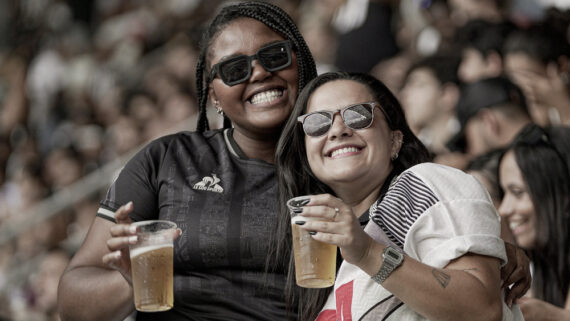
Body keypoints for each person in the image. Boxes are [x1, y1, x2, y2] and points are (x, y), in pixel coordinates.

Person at [57, 2, 317, 320]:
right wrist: (136, 279)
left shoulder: (334, 161)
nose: (260, 72)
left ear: (298, 60)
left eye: (274, 56)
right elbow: (72, 303)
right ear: (214, 95)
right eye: (236, 70)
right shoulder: (166, 159)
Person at [273, 71, 525, 320]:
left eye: (359, 115)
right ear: (305, 152)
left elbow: (481, 310)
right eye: (317, 122)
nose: (338, 130)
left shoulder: (427, 182)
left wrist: (368, 253)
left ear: (395, 140)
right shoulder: (319, 250)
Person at [498, 124, 570, 321]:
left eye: (518, 192)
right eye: (504, 193)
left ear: (563, 196)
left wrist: (550, 316)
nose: (504, 209)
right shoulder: (539, 260)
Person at [446, 76, 532, 162]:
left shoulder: (516, 167)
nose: (468, 153)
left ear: (489, 121)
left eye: (466, 143)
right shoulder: (542, 147)